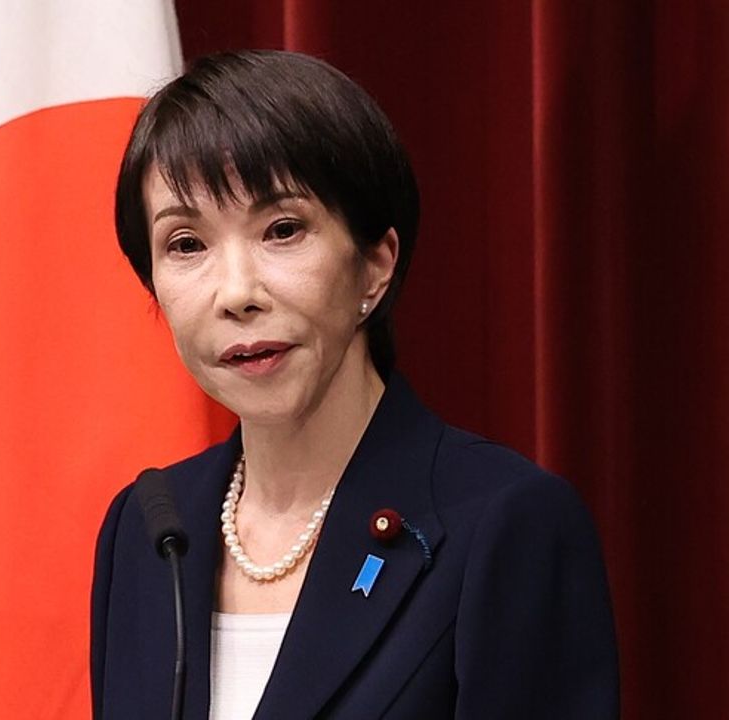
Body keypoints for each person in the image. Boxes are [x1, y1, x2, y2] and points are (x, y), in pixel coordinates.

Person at [91, 50, 618, 719]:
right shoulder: (147, 531)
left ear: (374, 264)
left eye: (282, 230)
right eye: (186, 244)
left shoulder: (506, 524)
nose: (236, 293)